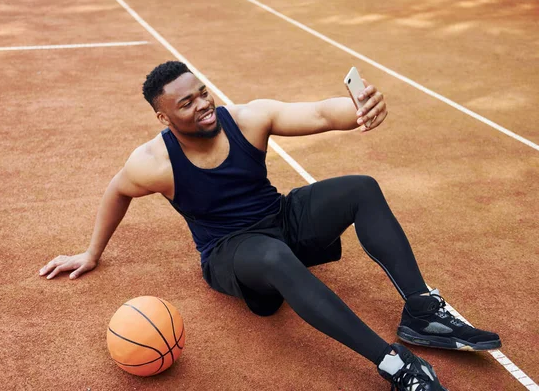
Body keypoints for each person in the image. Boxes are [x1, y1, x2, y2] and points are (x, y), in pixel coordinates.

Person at [39, 61, 501, 390]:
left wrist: (358, 108)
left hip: (279, 219)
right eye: (186, 103)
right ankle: (392, 361)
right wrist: (92, 253)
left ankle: (421, 313)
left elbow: (320, 113)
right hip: (231, 252)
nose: (203, 105)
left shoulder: (246, 119)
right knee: (274, 256)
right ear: (163, 117)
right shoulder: (153, 163)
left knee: (360, 186)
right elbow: (116, 191)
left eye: (202, 92)